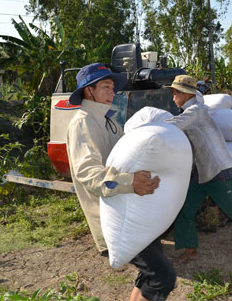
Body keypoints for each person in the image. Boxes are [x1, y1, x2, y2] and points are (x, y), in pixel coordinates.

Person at [66, 63, 175, 301]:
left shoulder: (111, 122)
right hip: (113, 219)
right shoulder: (83, 122)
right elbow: (88, 173)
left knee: (151, 272)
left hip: (132, 209)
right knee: (163, 276)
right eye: (106, 87)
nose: (112, 91)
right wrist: (130, 182)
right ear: (89, 91)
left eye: (112, 87)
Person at [164, 75, 232, 264]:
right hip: (200, 172)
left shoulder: (195, 112)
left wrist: (147, 128)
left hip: (219, 170)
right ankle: (190, 249)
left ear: (185, 94)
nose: (173, 97)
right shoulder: (192, 110)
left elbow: (172, 126)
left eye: (175, 92)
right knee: (185, 211)